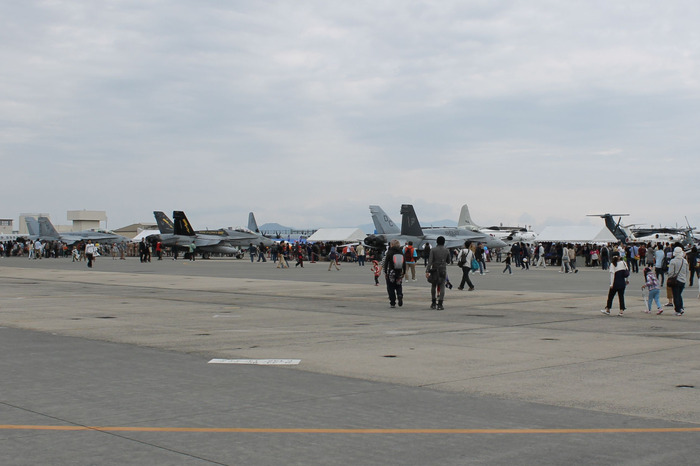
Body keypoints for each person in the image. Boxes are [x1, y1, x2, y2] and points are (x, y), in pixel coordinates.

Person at [379, 240, 406, 308]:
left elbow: (386, 263)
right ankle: (399, 295)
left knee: (390, 287)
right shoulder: (401, 252)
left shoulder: (390, 252)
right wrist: (404, 272)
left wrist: (385, 272)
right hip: (399, 271)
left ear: (392, 245)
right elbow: (404, 263)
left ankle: (393, 302)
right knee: (398, 286)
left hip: (391, 272)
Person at [426, 236, 450, 310]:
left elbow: (430, 261)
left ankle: (433, 303)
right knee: (442, 285)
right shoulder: (446, 250)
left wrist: (427, 270)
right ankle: (440, 304)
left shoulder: (433, 250)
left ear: (436, 242)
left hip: (434, 270)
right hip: (443, 270)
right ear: (444, 242)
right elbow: (448, 261)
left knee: (433, 285)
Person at [666, 246, 689, 316]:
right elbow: (687, 271)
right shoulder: (684, 261)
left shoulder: (673, 261)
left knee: (676, 295)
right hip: (683, 280)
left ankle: (678, 310)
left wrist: (670, 277)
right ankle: (681, 308)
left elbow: (671, 272)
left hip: (675, 280)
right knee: (679, 294)